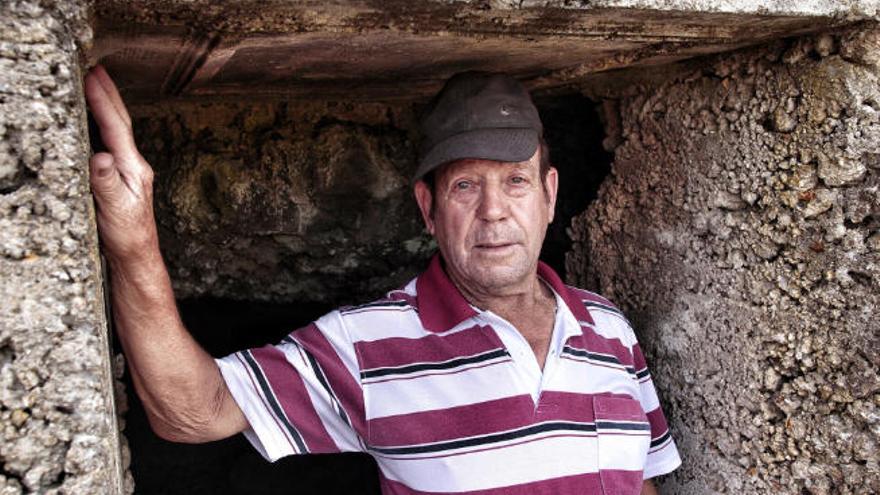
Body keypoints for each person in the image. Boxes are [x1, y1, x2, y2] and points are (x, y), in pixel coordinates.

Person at [85, 66, 681, 494]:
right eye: (465, 186)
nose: (494, 211)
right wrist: (134, 243)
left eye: (516, 183)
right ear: (427, 208)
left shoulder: (610, 329)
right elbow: (194, 411)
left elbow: (642, 481)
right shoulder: (368, 345)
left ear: (550, 196)